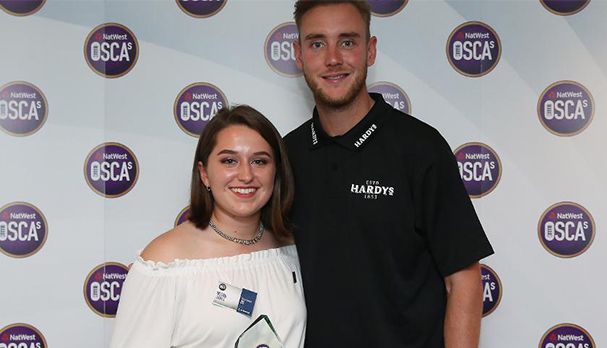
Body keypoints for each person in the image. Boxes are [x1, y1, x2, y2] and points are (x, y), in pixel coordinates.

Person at [284, 1, 494, 347]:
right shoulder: (286, 156)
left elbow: (463, 279)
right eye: (317, 43)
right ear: (299, 54)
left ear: (371, 50)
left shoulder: (420, 148)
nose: (333, 58)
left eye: (348, 42)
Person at [110, 105, 306, 348]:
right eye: (229, 161)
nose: (246, 175)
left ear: (275, 172)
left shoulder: (291, 250)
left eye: (259, 161)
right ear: (204, 174)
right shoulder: (164, 262)